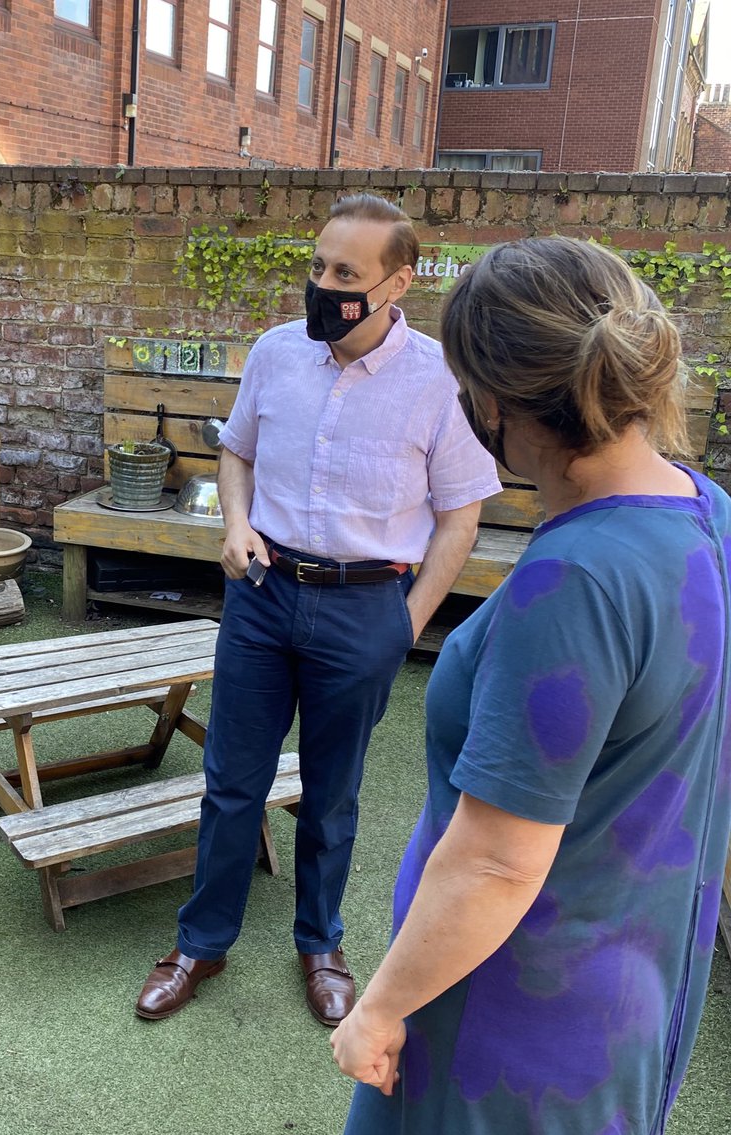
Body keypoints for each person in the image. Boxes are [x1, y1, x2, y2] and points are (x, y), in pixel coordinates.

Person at [327, 236, 731, 1135]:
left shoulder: (577, 579)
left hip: (515, 1018)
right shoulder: (711, 514)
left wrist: (379, 1008)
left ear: (494, 403)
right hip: (635, 985)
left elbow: (497, 863)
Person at [136, 194, 501, 1024]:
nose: (324, 286)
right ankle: (202, 943)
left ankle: (320, 944)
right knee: (232, 782)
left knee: (332, 794)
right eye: (317, 267)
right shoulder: (276, 353)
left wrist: (407, 623)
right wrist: (235, 524)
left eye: (345, 274)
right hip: (263, 596)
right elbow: (237, 453)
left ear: (397, 283)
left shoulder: (438, 381)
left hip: (367, 607)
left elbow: (461, 517)